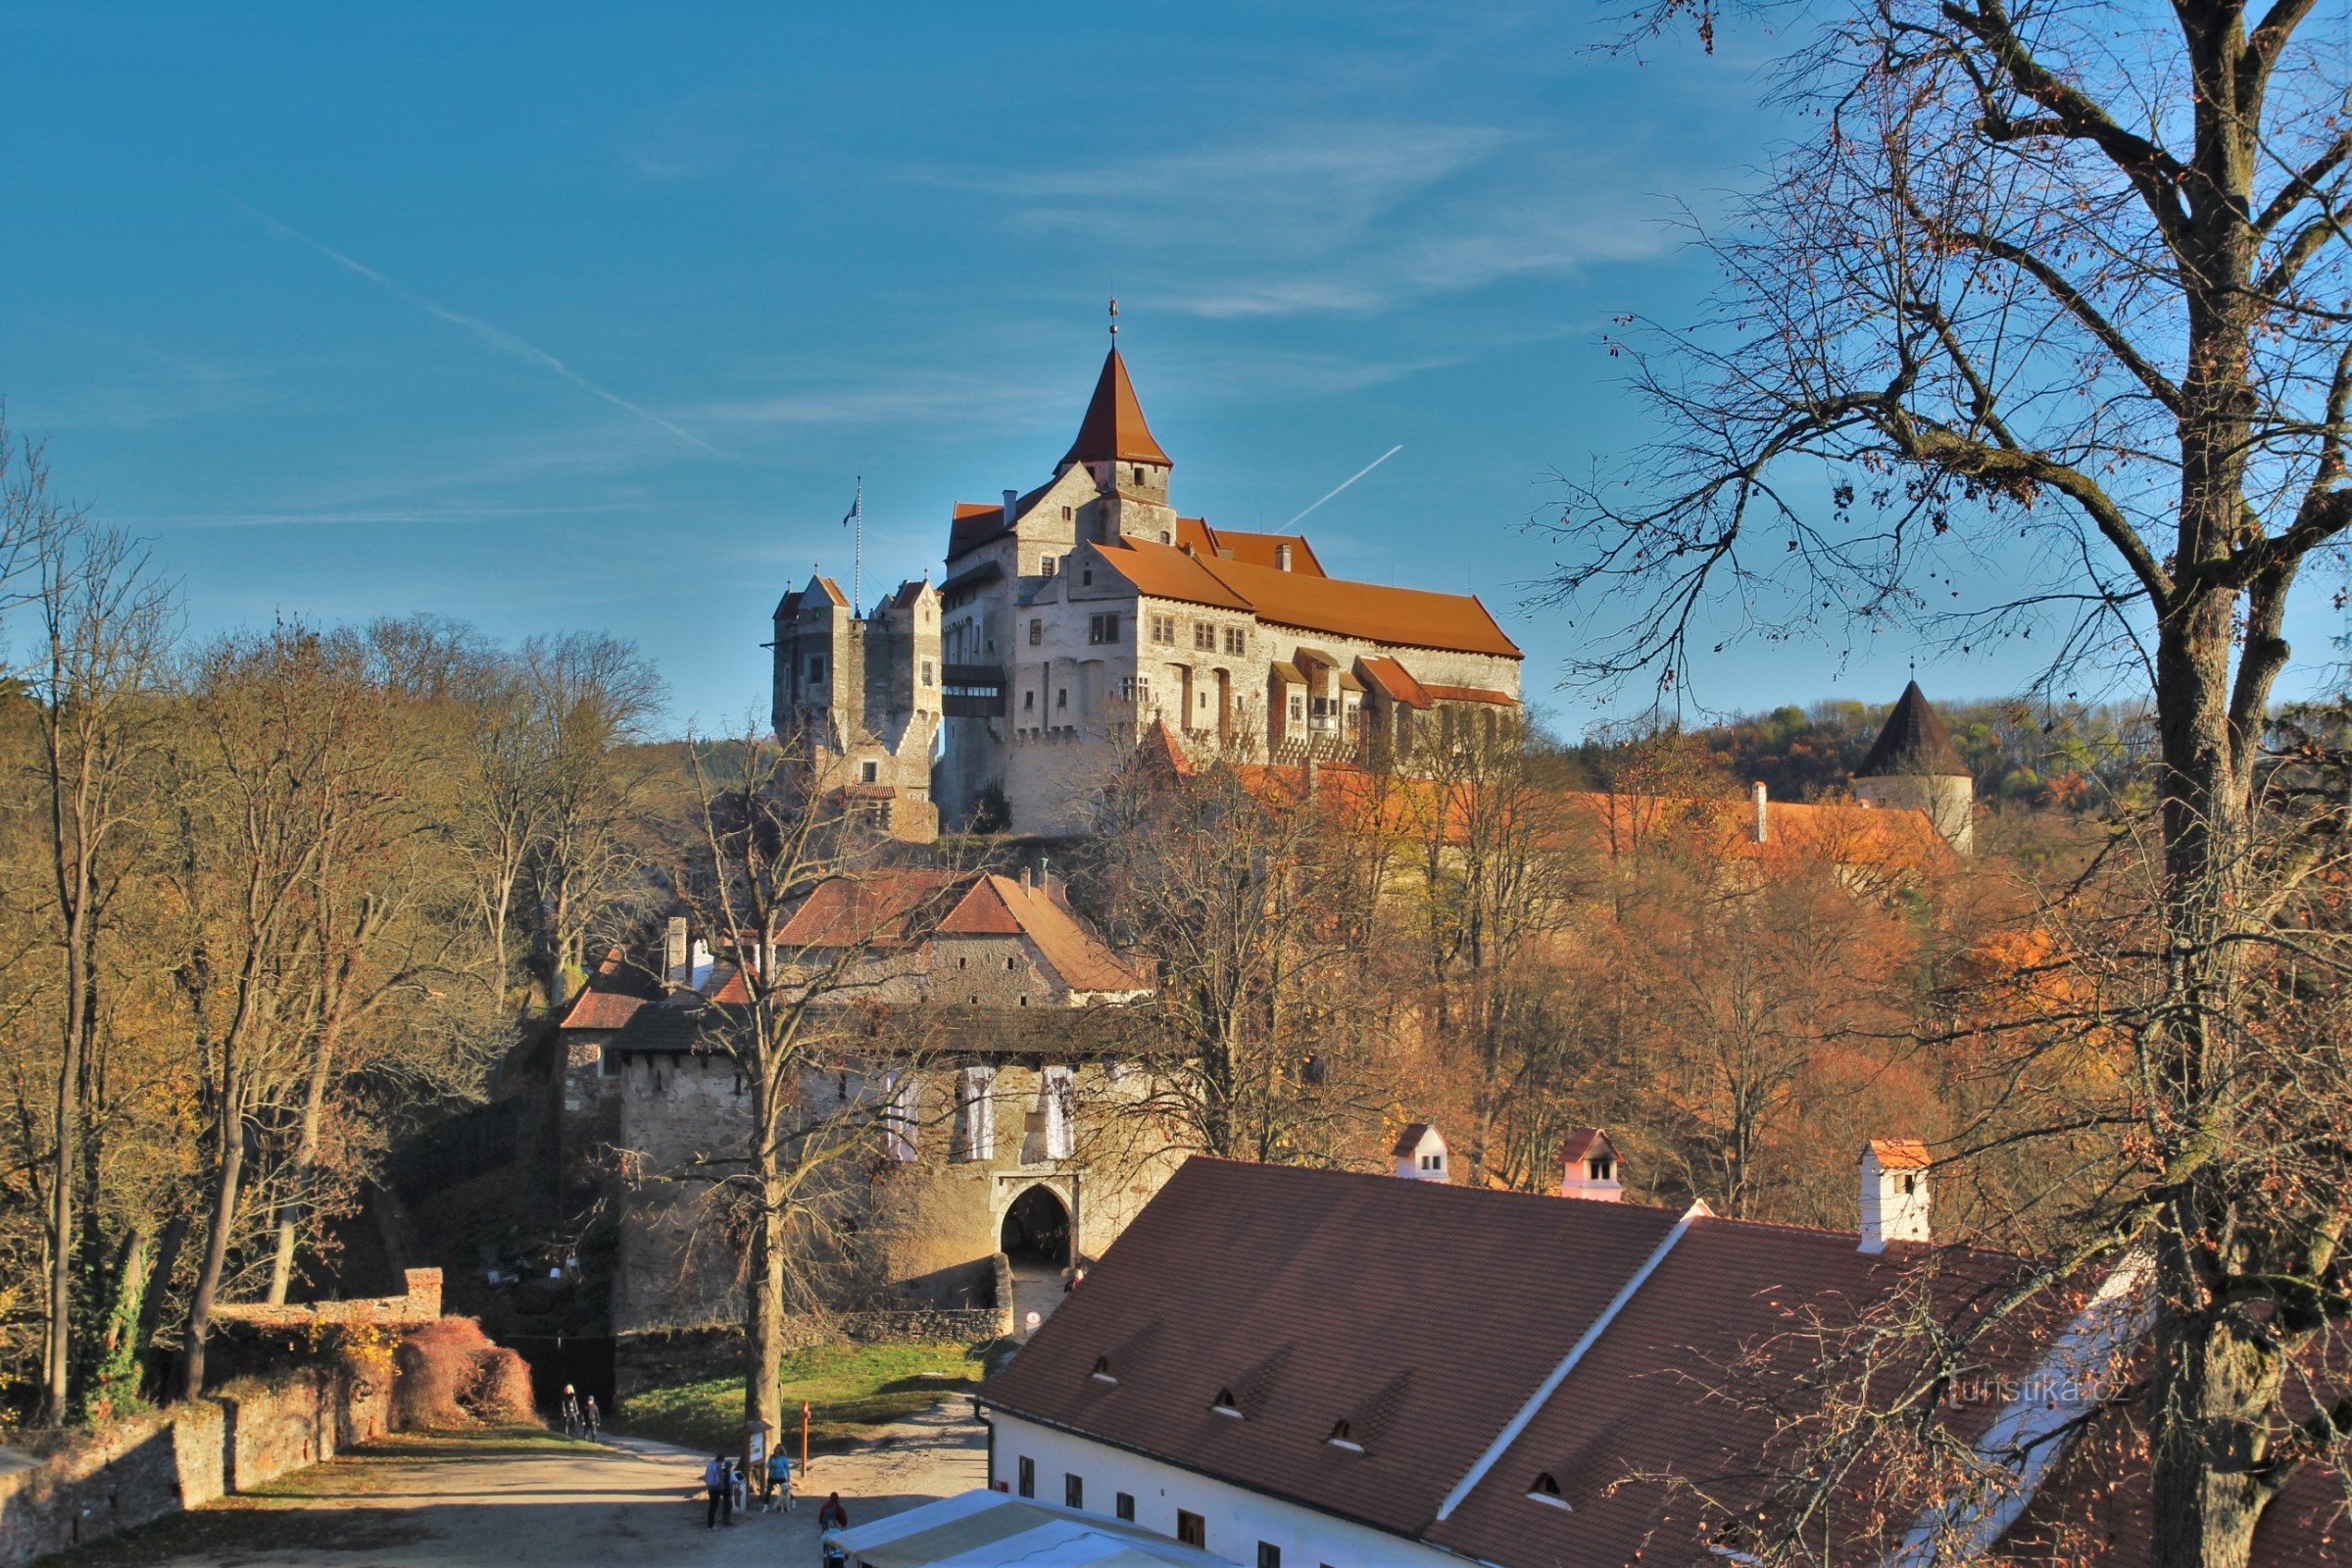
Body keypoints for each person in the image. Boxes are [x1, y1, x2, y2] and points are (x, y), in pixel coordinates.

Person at [703, 1453, 734, 1528]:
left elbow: (705, 1477)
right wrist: (724, 1488)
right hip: (716, 1489)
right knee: (714, 1507)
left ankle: (710, 1523)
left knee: (711, 1506)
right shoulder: (718, 1467)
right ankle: (711, 1525)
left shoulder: (710, 1464)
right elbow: (719, 1480)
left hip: (710, 1487)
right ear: (722, 1460)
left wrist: (708, 1484)